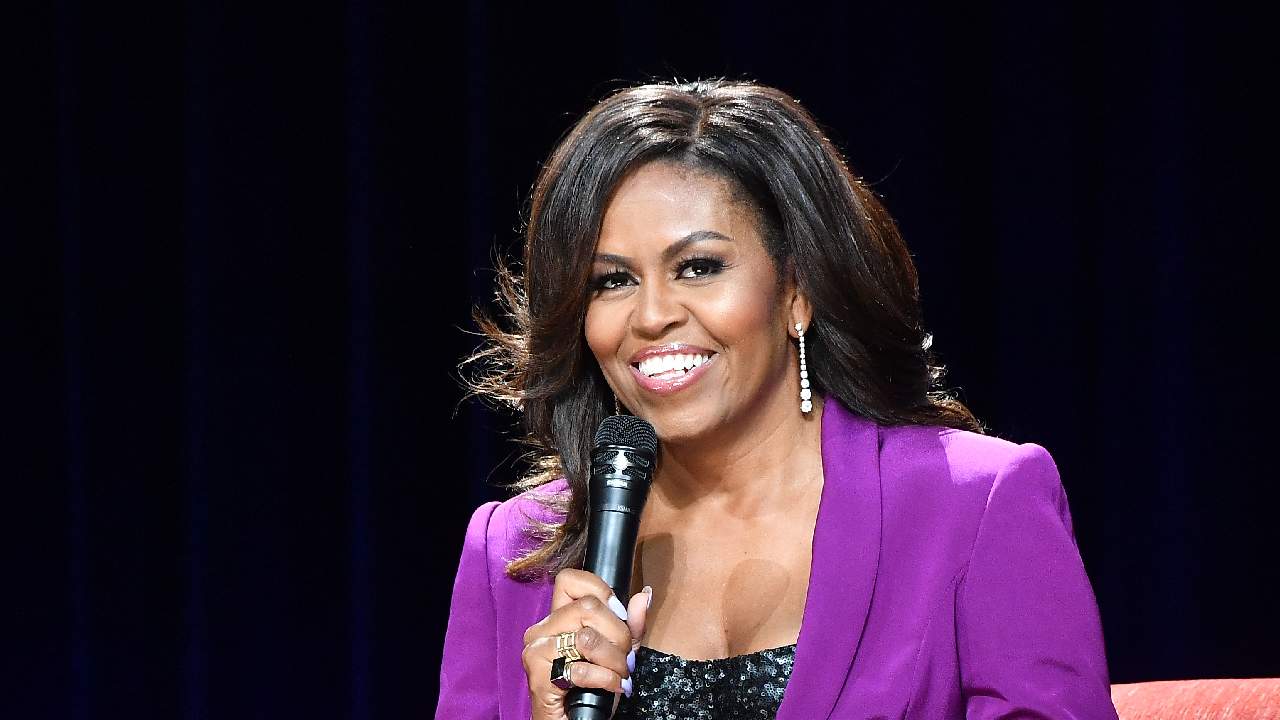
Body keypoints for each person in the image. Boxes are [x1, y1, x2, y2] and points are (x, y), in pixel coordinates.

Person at [436, 80, 1117, 719]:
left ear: (797, 292)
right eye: (610, 282)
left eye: (698, 267)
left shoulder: (972, 505)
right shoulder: (513, 555)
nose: (651, 316)